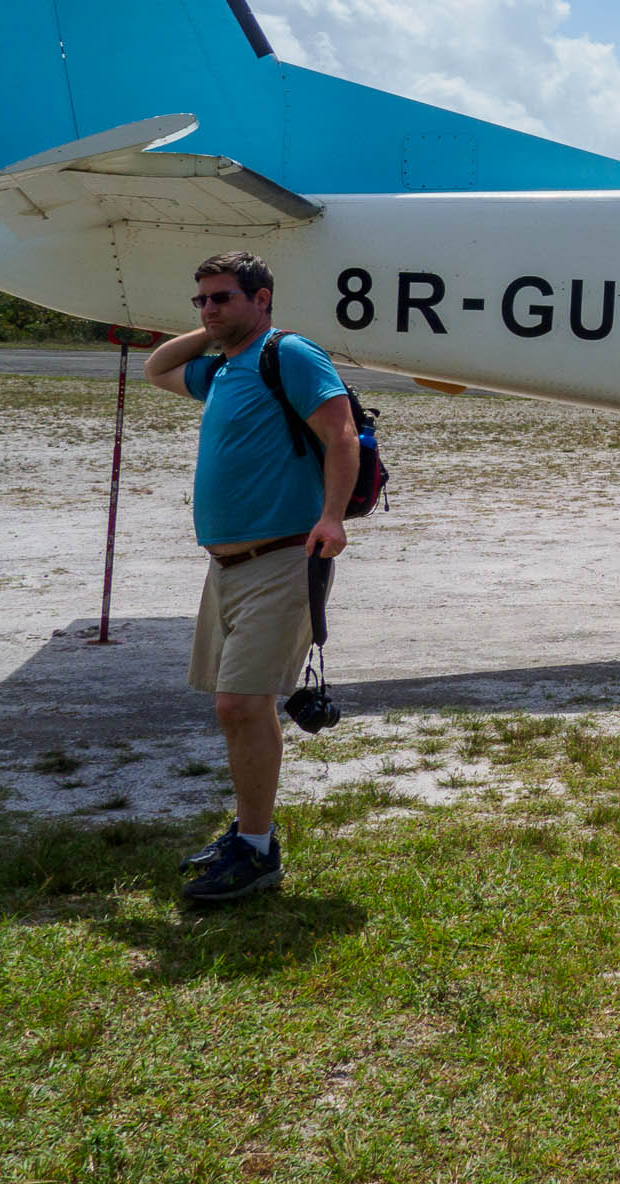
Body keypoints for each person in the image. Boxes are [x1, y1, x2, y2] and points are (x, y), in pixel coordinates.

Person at [143, 252, 359, 904]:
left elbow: (341, 433)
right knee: (239, 706)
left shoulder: (287, 355)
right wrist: (212, 333)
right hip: (228, 567)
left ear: (262, 299)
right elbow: (158, 369)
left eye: (223, 298)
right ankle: (248, 834)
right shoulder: (225, 369)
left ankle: (258, 852)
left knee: (239, 704)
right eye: (201, 300)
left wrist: (332, 518)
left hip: (281, 558)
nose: (209, 310)